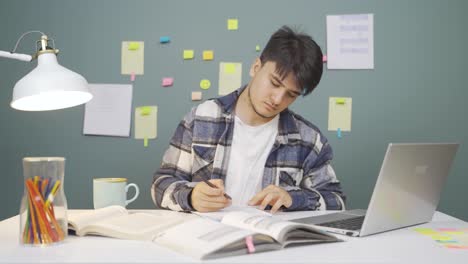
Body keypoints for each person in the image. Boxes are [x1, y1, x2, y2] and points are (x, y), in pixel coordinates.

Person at [151, 25, 346, 213]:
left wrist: (294, 198)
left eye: (291, 94)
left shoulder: (309, 140)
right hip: (205, 240)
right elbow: (162, 183)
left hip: (270, 243)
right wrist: (191, 196)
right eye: (274, 83)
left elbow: (336, 200)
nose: (278, 99)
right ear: (255, 67)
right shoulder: (201, 119)